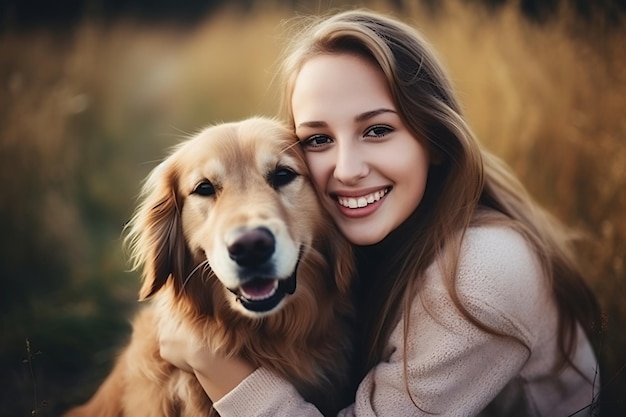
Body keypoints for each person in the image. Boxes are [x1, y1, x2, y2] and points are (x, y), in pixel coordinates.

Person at [160, 9, 602, 416]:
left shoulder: (478, 279)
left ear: (434, 141)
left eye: (377, 130)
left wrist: (212, 363)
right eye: (317, 140)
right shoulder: (371, 238)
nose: (348, 171)